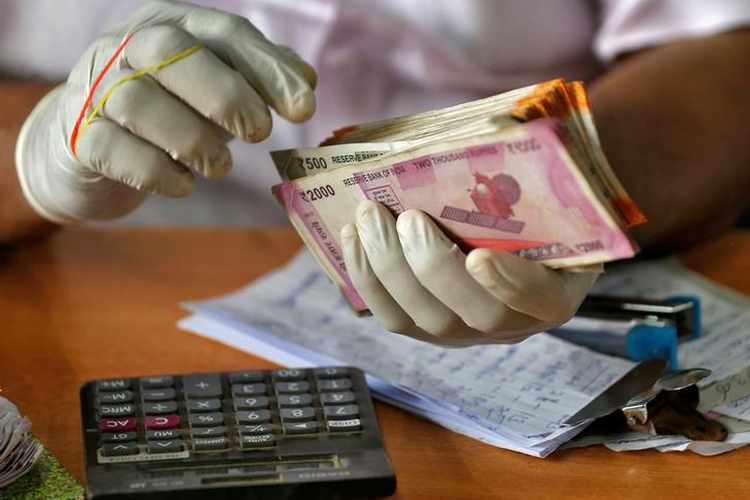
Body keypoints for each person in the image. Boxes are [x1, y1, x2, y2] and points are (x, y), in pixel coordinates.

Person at [2, 0, 750, 346]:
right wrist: (32, 159)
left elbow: (722, 58)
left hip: (557, 292)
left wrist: (575, 195)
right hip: (110, 289)